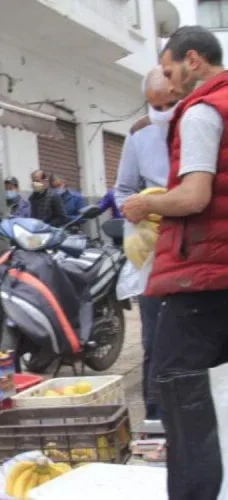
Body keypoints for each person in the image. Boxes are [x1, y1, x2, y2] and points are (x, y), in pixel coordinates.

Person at [122, 26, 228, 498]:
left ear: (193, 60)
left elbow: (194, 195)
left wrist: (148, 206)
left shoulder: (203, 111)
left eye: (169, 70)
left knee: (176, 382)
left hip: (204, 272)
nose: (169, 83)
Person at [114, 66, 177, 424]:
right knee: (155, 337)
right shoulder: (139, 134)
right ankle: (155, 416)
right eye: (155, 105)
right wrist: (137, 208)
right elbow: (123, 189)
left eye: (169, 102)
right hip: (155, 249)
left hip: (200, 250)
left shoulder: (205, 122)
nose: (163, 111)